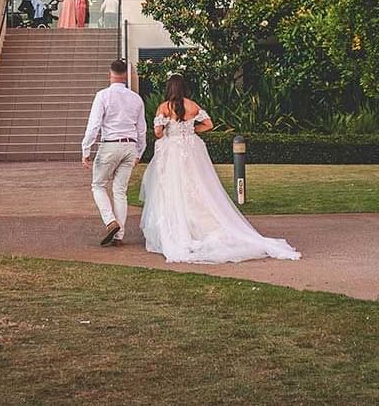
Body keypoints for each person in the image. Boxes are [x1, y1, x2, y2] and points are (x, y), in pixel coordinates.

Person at [139, 75, 300, 263]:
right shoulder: (193, 106)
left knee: (173, 188)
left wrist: (168, 129)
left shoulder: (164, 107)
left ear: (169, 89)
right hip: (191, 149)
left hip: (171, 152)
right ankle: (204, 226)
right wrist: (190, 131)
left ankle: (180, 228)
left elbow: (158, 133)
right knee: (197, 185)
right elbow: (209, 125)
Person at [80, 58, 146, 246]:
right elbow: (142, 129)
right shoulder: (136, 98)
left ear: (110, 74)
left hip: (110, 144)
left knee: (98, 185)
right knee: (120, 191)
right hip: (130, 146)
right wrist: (139, 153)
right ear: (126, 75)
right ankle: (119, 235)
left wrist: (86, 150)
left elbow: (94, 125)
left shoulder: (103, 96)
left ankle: (110, 221)